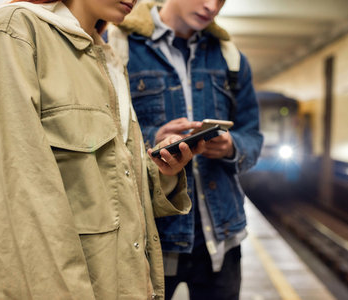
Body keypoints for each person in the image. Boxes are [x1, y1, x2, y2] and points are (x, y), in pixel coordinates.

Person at [0, 0, 206, 299]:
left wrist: (159, 172)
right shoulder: (13, 32)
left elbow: (99, 185)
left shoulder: (107, 57)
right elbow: (8, 202)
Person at [113, 0, 263, 299]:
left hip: (221, 239)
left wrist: (232, 146)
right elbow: (100, 134)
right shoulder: (119, 46)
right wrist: (152, 139)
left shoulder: (229, 57)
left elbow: (253, 136)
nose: (212, 6)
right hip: (149, 238)